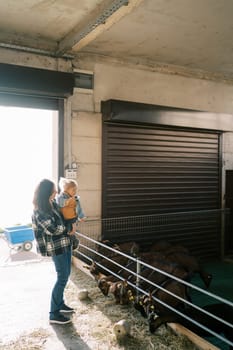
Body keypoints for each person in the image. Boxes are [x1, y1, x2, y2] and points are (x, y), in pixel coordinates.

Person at [32, 178, 74, 325]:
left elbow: (63, 218)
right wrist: (67, 228)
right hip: (56, 248)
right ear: (46, 192)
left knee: (66, 275)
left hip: (65, 244)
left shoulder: (52, 203)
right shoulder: (39, 210)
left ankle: (60, 304)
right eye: (53, 189)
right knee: (62, 277)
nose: (56, 191)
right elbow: (53, 229)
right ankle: (53, 314)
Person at [56, 177, 85, 249]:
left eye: (76, 190)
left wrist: (81, 216)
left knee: (71, 231)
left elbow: (79, 208)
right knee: (68, 232)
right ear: (66, 190)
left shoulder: (75, 198)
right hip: (63, 218)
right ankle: (73, 242)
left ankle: (73, 242)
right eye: (73, 190)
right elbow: (60, 203)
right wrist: (68, 201)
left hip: (72, 218)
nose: (75, 192)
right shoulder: (61, 196)